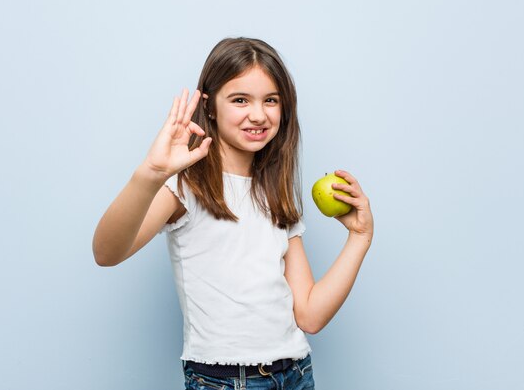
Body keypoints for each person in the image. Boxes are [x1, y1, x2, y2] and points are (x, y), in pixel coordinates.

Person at [92, 37, 374, 390]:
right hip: (225, 381)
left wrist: (359, 238)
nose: (258, 114)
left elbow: (310, 315)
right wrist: (151, 172)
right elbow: (106, 253)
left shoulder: (275, 191)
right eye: (240, 99)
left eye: (270, 100)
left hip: (296, 373)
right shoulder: (186, 186)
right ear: (209, 107)